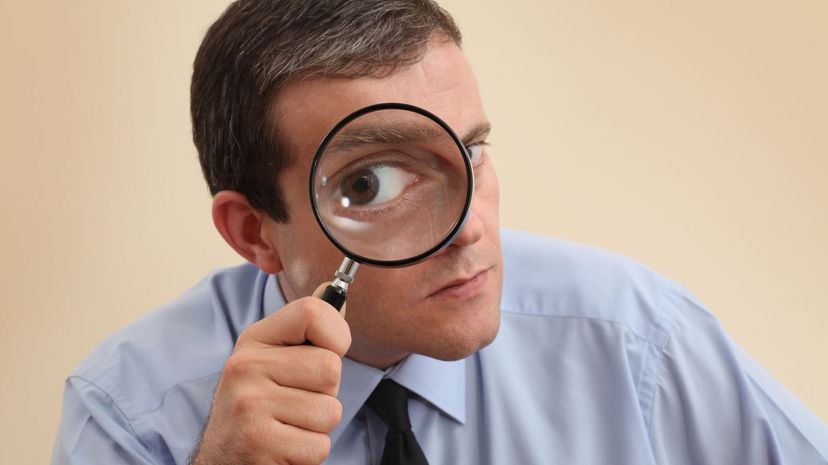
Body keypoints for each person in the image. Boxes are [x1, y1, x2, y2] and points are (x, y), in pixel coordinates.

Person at [52, 1, 828, 464]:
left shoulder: (635, 338)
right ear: (254, 231)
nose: (470, 228)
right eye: (371, 183)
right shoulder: (133, 411)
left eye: (472, 151)